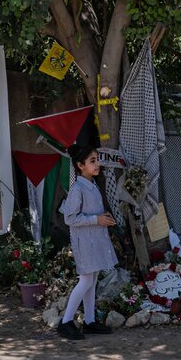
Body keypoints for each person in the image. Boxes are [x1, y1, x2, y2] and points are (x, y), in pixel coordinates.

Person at [57, 143, 118, 340]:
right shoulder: (77, 189)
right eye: (92, 161)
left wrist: (103, 216)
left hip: (95, 240)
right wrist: (96, 219)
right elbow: (70, 218)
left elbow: (91, 213)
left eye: (97, 160)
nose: (97, 164)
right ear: (80, 165)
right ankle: (66, 322)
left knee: (92, 279)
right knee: (85, 280)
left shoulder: (92, 185)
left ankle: (90, 321)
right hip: (84, 242)